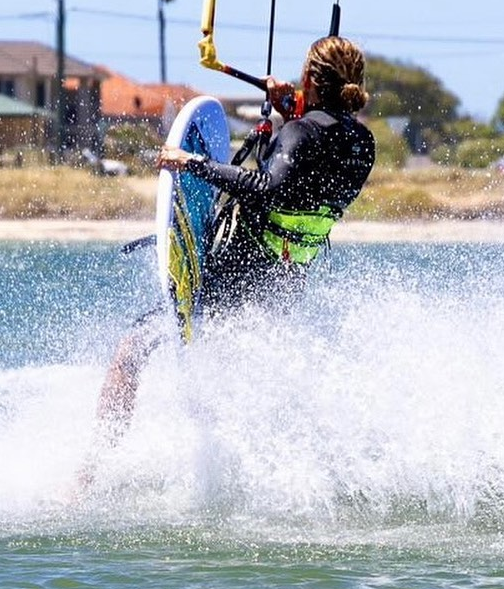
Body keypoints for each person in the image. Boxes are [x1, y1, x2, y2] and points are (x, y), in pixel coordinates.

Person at [88, 35, 376, 462]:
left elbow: (269, 186)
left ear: (309, 78)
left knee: (132, 349)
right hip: (284, 280)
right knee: (224, 369)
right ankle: (241, 469)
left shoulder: (301, 132)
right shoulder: (361, 144)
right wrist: (289, 114)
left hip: (242, 267)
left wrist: (192, 164)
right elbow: (315, 155)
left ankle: (89, 470)